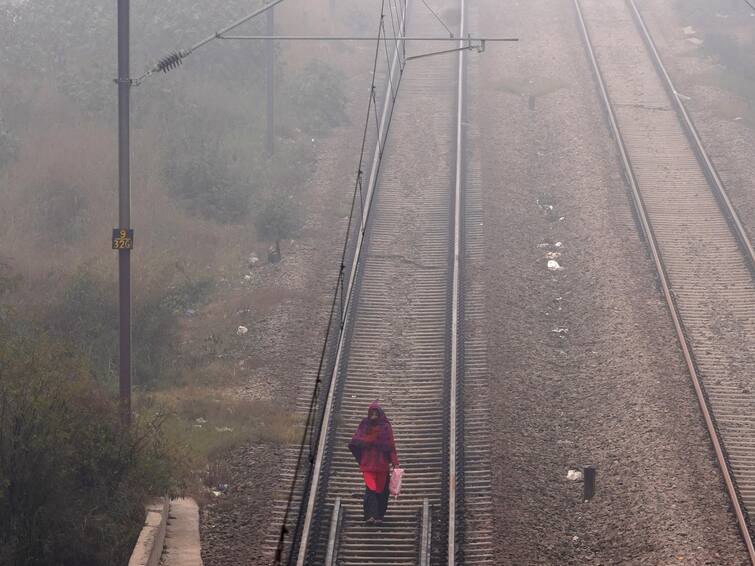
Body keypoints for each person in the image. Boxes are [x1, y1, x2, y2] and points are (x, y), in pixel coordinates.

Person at [348, 400, 400, 525]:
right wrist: (361, 459)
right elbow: (355, 442)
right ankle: (370, 516)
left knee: (381, 492)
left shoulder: (386, 427)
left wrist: (395, 463)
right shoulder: (364, 425)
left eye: (376, 413)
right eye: (372, 413)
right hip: (369, 466)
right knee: (371, 490)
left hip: (382, 466)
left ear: (380, 414)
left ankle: (378, 517)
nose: (374, 416)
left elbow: (390, 446)